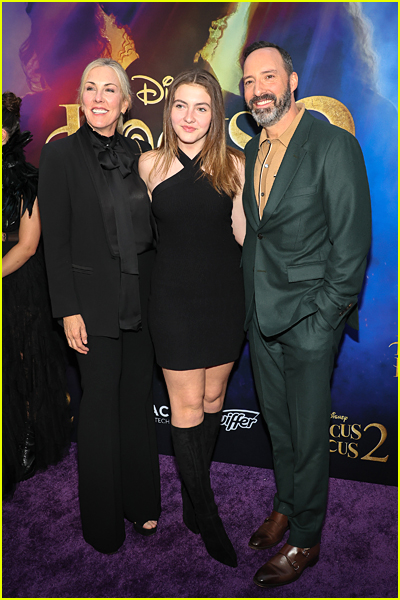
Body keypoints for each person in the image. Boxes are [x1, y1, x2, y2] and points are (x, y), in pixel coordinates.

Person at [240, 42, 371, 587]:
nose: (257, 90)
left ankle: (307, 537)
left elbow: (352, 243)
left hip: (311, 318)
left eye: (268, 77)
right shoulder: (252, 149)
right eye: (248, 82)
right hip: (261, 312)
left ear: (292, 81)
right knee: (280, 422)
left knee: (311, 431)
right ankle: (287, 502)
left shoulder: (332, 144)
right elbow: (260, 235)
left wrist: (325, 318)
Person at [38, 58, 161, 554]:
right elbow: (57, 245)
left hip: (142, 302)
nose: (98, 97)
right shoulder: (61, 156)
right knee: (99, 410)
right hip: (90, 308)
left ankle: (142, 504)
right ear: (81, 97)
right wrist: (67, 309)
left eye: (110, 90)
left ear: (125, 102)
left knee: (136, 405)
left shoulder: (140, 155)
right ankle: (102, 523)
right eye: (90, 88)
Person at [139, 68, 246, 567]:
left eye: (201, 107)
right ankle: (208, 515)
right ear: (168, 110)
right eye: (180, 105)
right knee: (184, 409)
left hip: (225, 298)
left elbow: (246, 238)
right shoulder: (149, 166)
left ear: (215, 115)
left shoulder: (236, 166)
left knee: (213, 398)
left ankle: (190, 499)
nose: (189, 116)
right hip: (173, 300)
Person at [2, 91, 70, 499]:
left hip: (16, 280)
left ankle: (26, 439)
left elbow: (27, 245)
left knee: (21, 364)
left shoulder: (27, 180)